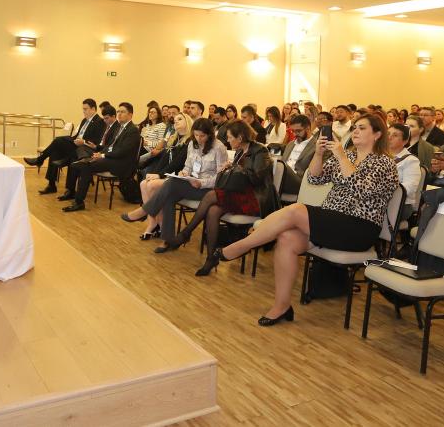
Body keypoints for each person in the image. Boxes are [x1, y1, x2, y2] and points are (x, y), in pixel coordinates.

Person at [206, 114, 398, 325]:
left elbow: (362, 189)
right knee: (287, 239)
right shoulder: (349, 155)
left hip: (358, 228)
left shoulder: (385, 163)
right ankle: (282, 306)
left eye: (362, 128)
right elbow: (315, 178)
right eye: (355, 127)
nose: (356, 131)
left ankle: (240, 246)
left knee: (296, 210)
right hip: (332, 221)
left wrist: (341, 157)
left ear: (377, 134)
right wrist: (319, 154)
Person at [161, 120, 278, 275]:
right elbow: (238, 178)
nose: (227, 140)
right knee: (213, 211)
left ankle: (186, 233)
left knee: (211, 195)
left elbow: (257, 178)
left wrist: (235, 168)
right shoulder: (240, 151)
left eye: (230, 137)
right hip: (239, 195)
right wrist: (230, 168)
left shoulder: (260, 151)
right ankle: (211, 258)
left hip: (256, 198)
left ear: (240, 138)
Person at [121, 119, 228, 249]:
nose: (199, 139)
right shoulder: (192, 144)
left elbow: (220, 177)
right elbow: (188, 166)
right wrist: (184, 173)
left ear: (210, 134)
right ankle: (168, 240)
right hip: (190, 183)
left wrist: (202, 183)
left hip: (207, 190)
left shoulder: (219, 147)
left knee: (171, 184)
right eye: (196, 135)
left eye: (202, 136)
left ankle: (144, 211)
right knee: (169, 196)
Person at [61, 102, 141, 212]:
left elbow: (122, 151)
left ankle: (78, 201)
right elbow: (110, 146)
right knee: (85, 165)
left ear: (130, 115)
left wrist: (103, 155)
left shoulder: (133, 130)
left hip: (122, 164)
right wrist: (99, 153)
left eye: (122, 112)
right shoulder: (120, 128)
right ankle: (78, 199)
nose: (119, 114)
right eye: (118, 111)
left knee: (86, 166)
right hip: (112, 159)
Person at [25, 98, 105, 194]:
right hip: (75, 143)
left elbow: (96, 141)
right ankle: (51, 185)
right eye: (83, 109)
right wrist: (73, 139)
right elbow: (77, 135)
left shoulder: (99, 121)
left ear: (93, 109)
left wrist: (83, 141)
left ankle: (40, 159)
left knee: (57, 141)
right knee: (55, 151)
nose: (83, 111)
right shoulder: (84, 120)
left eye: (85, 109)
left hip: (84, 148)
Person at [133, 113, 193, 239]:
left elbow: (178, 163)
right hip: (168, 174)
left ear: (188, 122)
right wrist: (155, 173)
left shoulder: (190, 141)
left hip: (179, 176)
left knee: (151, 185)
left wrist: (159, 175)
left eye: (180, 119)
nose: (176, 121)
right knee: (144, 183)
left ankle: (159, 224)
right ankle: (152, 223)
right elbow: (164, 160)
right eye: (175, 120)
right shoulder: (174, 138)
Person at [279, 114, 317, 195]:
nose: (295, 134)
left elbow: (314, 173)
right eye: (293, 131)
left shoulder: (317, 146)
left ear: (308, 128)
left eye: (298, 131)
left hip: (300, 180)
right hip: (282, 176)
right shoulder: (290, 144)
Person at [389, 123, 423, 213]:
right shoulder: (378, 155)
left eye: (395, 135)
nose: (389, 137)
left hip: (401, 204)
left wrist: (385, 191)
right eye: (388, 134)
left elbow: (410, 188)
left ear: (405, 141)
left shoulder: (411, 160)